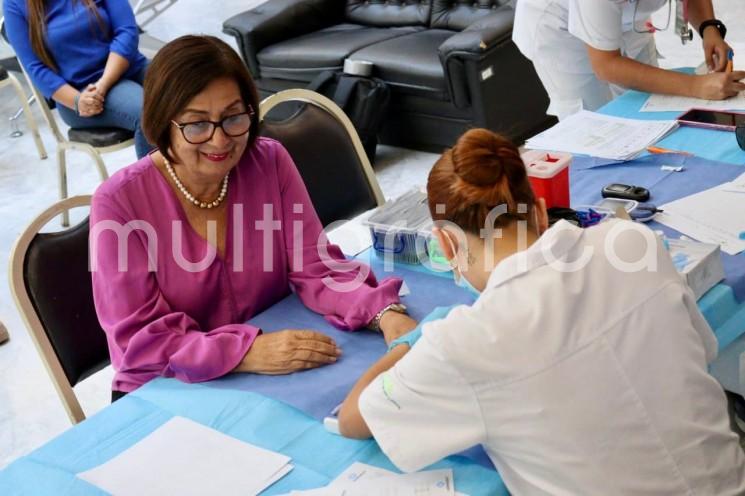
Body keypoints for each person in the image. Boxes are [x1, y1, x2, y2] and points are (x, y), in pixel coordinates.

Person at [337, 128, 745, 494]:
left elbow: (354, 419)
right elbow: (701, 353)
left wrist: (411, 341)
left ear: (445, 246)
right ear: (539, 211)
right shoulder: (632, 243)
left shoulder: (463, 341)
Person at [89, 35, 417, 400]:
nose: (219, 141)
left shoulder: (270, 161)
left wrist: (385, 312)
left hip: (271, 365)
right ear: (161, 123)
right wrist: (245, 353)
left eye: (233, 117)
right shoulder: (118, 204)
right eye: (196, 124)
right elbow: (141, 341)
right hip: (169, 386)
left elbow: (317, 267)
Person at [512, 0, 745, 119]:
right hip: (562, 30)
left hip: (627, 17)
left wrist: (709, 28)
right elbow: (606, 65)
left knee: (650, 108)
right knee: (595, 124)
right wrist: (695, 86)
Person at [4, 0, 152, 158]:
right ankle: (154, 181)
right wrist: (77, 100)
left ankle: (178, 176)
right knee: (149, 113)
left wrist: (104, 83)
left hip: (127, 65)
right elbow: (34, 67)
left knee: (180, 88)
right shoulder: (14, 4)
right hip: (78, 92)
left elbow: (126, 31)